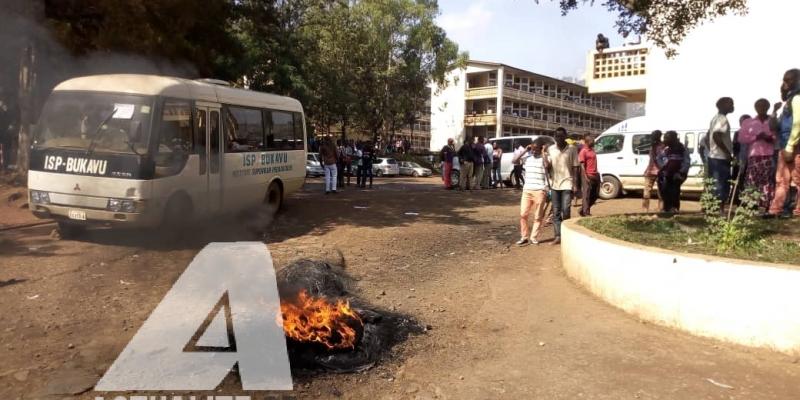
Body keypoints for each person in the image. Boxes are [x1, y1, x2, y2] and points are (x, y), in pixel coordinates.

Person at [767, 68, 800, 218]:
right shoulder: (789, 100)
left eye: (789, 80)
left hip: (793, 146)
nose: (785, 83)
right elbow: (778, 126)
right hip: (784, 144)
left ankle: (797, 211)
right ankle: (776, 209)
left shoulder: (798, 98)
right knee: (781, 179)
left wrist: (790, 146)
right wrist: (774, 114)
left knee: (797, 179)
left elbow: (798, 124)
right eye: (784, 80)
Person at [738, 99, 775, 210]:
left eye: (764, 106)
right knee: (752, 179)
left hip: (769, 155)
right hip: (754, 156)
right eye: (759, 106)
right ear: (755, 108)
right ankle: (751, 204)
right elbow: (741, 138)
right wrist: (756, 137)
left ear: (768, 107)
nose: (761, 108)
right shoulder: (748, 122)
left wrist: (770, 138)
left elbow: (779, 135)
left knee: (767, 180)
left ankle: (765, 204)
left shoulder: (772, 121)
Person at [546, 127, 580, 245]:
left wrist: (575, 185)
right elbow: (548, 166)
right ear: (554, 137)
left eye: (561, 136)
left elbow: (576, 167)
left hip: (567, 182)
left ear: (565, 137)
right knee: (556, 212)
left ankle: (567, 233)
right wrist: (545, 157)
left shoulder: (572, 149)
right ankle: (558, 236)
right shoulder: (551, 149)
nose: (558, 138)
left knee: (566, 210)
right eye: (556, 136)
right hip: (554, 184)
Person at [516, 137, 550, 246]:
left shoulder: (545, 158)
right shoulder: (528, 158)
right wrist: (525, 150)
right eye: (533, 149)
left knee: (538, 216)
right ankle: (524, 236)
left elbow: (547, 166)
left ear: (541, 148)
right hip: (527, 190)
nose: (534, 151)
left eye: (537, 149)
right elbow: (515, 161)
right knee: (523, 214)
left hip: (540, 190)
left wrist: (544, 152)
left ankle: (534, 237)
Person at [707, 97, 735, 210]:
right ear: (723, 105)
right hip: (720, 158)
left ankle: (714, 209)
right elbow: (716, 135)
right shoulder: (722, 119)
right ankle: (720, 210)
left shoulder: (715, 118)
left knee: (715, 183)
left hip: (714, 156)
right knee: (721, 184)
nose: (733, 106)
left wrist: (711, 150)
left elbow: (707, 137)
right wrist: (727, 153)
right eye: (731, 104)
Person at [656, 131, 689, 213]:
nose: (665, 140)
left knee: (674, 190)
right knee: (665, 191)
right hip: (667, 174)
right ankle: (666, 208)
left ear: (673, 139)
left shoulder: (682, 149)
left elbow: (686, 161)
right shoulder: (666, 149)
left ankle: (674, 208)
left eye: (667, 138)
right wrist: (663, 167)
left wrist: (681, 172)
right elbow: (658, 158)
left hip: (678, 174)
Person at [642, 130, 664, 212]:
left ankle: (645, 209)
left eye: (653, 136)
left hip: (654, 171)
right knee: (660, 191)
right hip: (656, 171)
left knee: (648, 191)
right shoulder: (662, 146)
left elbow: (656, 160)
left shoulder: (656, 146)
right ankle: (660, 209)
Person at [579, 136, 600, 217]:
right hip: (587, 175)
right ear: (587, 142)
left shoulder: (592, 150)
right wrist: (585, 176)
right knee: (586, 195)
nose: (593, 142)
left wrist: (597, 172)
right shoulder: (583, 151)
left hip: (595, 175)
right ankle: (586, 212)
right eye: (592, 141)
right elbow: (582, 165)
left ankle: (582, 209)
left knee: (596, 195)